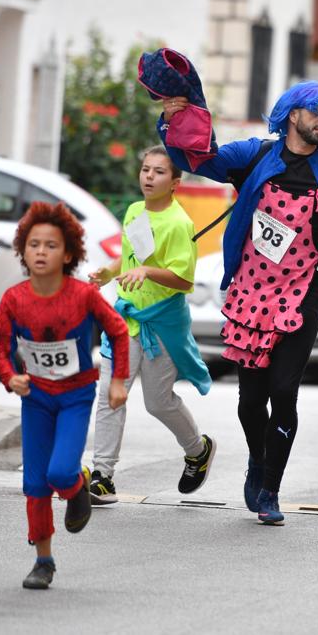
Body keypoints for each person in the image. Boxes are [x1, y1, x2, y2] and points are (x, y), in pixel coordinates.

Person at [159, 80, 318, 525]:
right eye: (317, 110)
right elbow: (197, 158)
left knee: (283, 391)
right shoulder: (255, 155)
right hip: (251, 290)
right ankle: (257, 460)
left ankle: (271, 489)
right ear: (291, 113)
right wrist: (174, 119)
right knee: (249, 400)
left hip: (304, 293)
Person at [0, 201, 129, 590]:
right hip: (35, 397)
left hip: (74, 395)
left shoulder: (83, 295)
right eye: (33, 244)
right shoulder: (14, 298)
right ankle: (43, 561)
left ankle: (76, 488)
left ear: (68, 253)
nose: (40, 252)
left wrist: (117, 381)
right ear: (22, 250)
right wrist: (10, 377)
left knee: (60, 472)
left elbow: (118, 331)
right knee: (35, 483)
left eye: (51, 245)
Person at [87, 146, 214, 504]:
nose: (148, 177)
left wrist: (147, 271)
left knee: (158, 403)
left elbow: (183, 278)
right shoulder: (134, 211)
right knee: (110, 396)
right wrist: (109, 271)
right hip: (125, 320)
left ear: (176, 182)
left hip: (161, 325)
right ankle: (102, 476)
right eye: (145, 169)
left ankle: (197, 449)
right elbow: (129, 255)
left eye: (158, 172)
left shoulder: (178, 223)